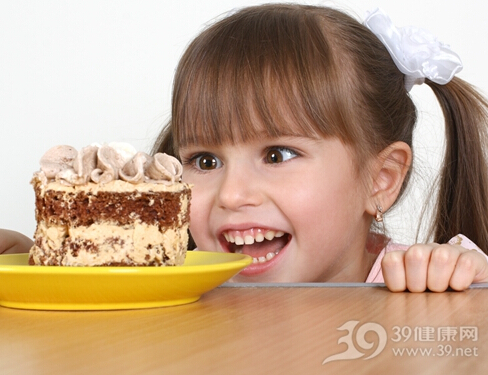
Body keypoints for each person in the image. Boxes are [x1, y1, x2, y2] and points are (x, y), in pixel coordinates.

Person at [2, 4, 488, 292]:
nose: (233, 195)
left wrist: (460, 285)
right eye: (205, 161)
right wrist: (38, 268)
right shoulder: (184, 280)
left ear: (381, 179)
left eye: (277, 155)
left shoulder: (420, 280)